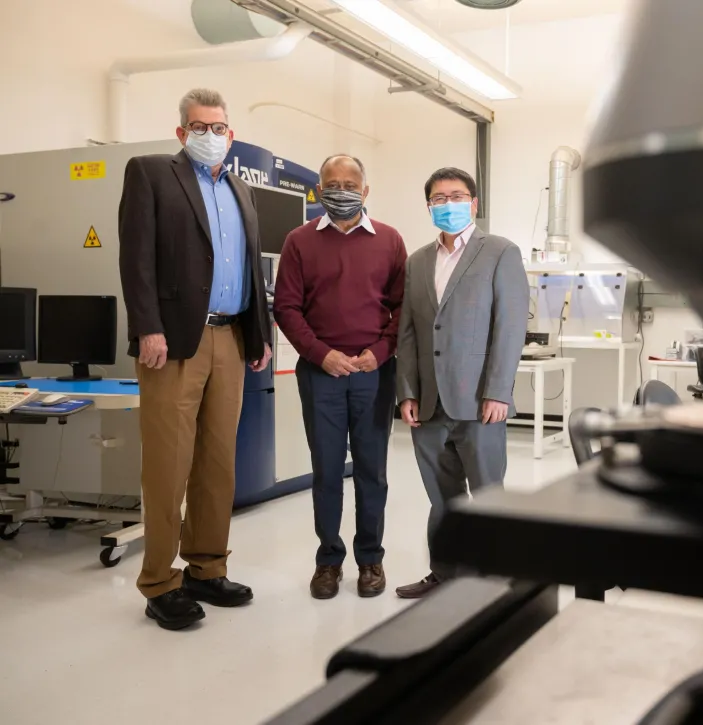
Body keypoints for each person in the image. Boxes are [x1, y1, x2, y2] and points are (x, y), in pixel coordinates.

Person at [118, 88, 272, 631]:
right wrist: (147, 327)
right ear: (182, 132)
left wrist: (260, 335)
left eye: (221, 127)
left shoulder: (240, 190)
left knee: (216, 463)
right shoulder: (152, 173)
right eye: (201, 127)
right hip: (174, 342)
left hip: (230, 339)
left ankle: (207, 567)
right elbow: (135, 258)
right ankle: (160, 581)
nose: (213, 135)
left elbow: (252, 271)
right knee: (169, 464)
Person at [274, 155, 405, 600]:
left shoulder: (389, 241)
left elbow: (402, 308)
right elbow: (286, 308)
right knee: (327, 471)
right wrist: (321, 354)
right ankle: (328, 561)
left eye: (351, 183)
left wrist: (380, 353)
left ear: (365, 191)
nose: (342, 190)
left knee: (372, 470)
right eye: (332, 183)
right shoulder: (298, 241)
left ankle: (371, 558)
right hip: (321, 374)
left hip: (374, 374)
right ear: (318, 190)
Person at [395, 167, 530, 599]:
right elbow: (410, 333)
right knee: (443, 499)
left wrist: (498, 391)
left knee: (489, 496)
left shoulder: (500, 253)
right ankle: (445, 576)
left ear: (473, 203)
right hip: (429, 403)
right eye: (438, 198)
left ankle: (497, 580)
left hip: (478, 402)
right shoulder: (417, 261)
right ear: (429, 206)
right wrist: (407, 392)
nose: (447, 204)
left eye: (456, 196)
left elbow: (509, 328)